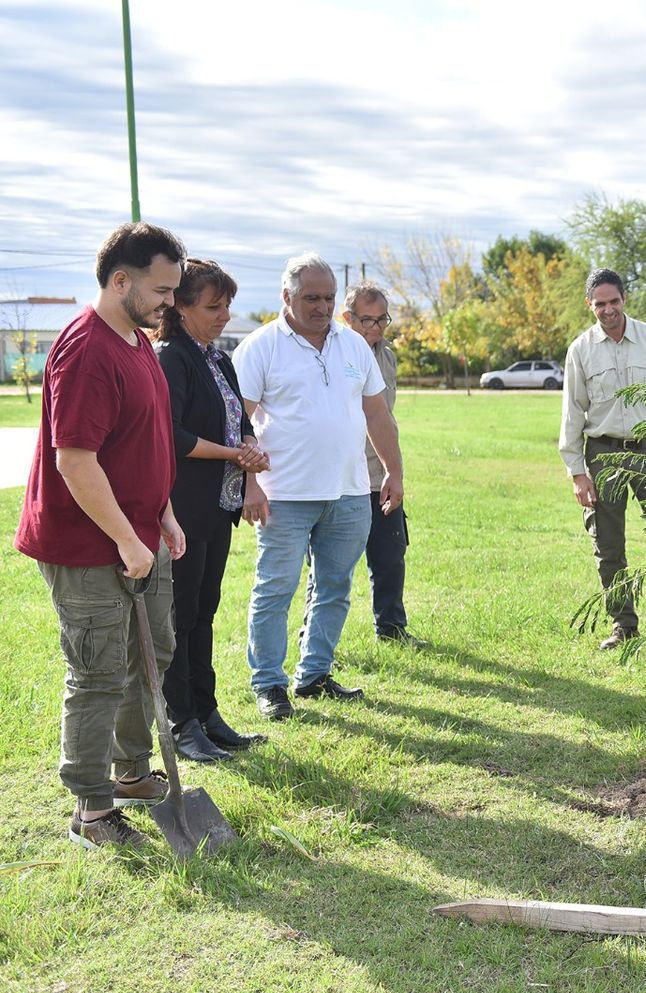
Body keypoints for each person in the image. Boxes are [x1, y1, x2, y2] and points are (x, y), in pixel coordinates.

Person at [14, 222, 187, 848]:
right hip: (88, 544)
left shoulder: (137, 341)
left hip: (139, 531)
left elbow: (142, 441)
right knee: (98, 670)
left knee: (152, 652)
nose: (171, 302)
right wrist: (126, 537)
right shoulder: (86, 349)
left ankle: (132, 773)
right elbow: (75, 462)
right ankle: (91, 810)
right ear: (121, 281)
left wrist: (161, 512)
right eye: (162, 290)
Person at [232, 253, 403, 721]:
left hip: (349, 492)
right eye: (311, 297)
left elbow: (376, 415)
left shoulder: (352, 345)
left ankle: (314, 675)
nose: (322, 306)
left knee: (334, 587)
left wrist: (394, 471)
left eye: (328, 297)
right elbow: (238, 422)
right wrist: (250, 483)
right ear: (286, 297)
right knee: (276, 590)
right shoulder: (260, 347)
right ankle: (269, 683)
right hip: (282, 494)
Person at [154, 259, 270, 762]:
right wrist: (233, 454)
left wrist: (248, 446)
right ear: (179, 307)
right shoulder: (170, 358)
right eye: (213, 306)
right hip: (182, 511)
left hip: (217, 507)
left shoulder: (218, 359)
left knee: (204, 613)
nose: (225, 315)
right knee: (180, 619)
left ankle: (206, 713)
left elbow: (235, 420)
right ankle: (182, 725)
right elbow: (172, 436)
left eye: (228, 305)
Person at [559, 268, 646, 649]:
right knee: (607, 544)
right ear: (590, 305)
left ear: (625, 299)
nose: (608, 310)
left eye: (613, 301)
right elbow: (572, 414)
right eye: (599, 304)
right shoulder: (580, 350)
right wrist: (577, 474)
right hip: (602, 455)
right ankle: (624, 625)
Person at [341, 281, 425, 647]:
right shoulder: (335, 353)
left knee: (391, 558)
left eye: (382, 320)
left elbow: (384, 418)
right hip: (343, 478)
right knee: (333, 570)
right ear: (347, 318)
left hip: (382, 474)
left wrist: (396, 470)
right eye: (366, 320)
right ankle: (319, 645)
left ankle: (391, 628)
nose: (375, 328)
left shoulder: (386, 355)